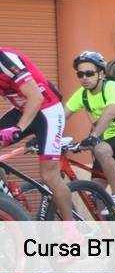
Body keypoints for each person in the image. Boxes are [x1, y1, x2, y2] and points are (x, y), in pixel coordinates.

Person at [64, 51, 115, 217]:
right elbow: (61, 116)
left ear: (101, 74)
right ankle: (109, 229)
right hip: (110, 143)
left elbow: (110, 112)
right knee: (96, 193)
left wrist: (94, 136)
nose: (84, 78)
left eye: (89, 73)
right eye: (80, 74)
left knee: (101, 149)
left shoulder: (113, 87)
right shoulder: (82, 94)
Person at [0, 47, 75, 229]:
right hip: (22, 109)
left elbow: (36, 96)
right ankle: (6, 204)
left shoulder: (5, 59)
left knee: (49, 175)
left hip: (47, 111)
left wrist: (19, 128)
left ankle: (71, 230)